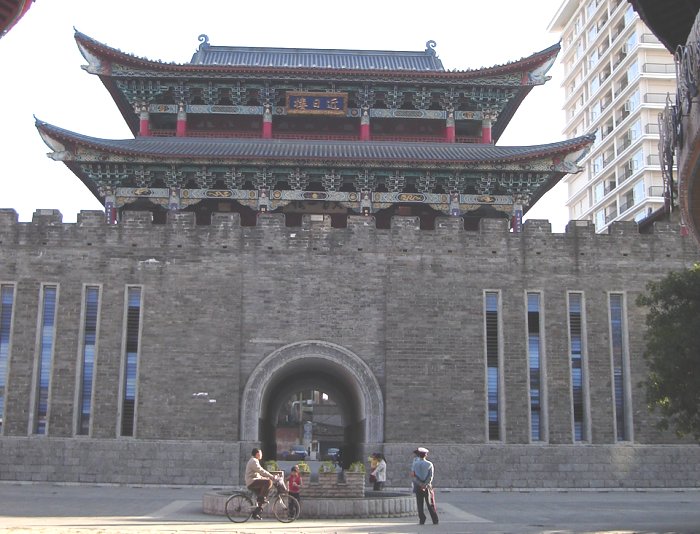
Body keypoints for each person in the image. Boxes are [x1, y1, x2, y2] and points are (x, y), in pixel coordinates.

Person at [244, 448, 277, 520]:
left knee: (262, 495)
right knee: (269, 482)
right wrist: (271, 476)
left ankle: (256, 513)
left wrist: (264, 478)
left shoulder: (254, 461)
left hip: (253, 480)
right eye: (260, 453)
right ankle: (261, 498)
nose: (262, 455)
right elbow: (261, 470)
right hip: (251, 482)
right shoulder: (253, 461)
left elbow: (258, 475)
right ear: (257, 454)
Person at [411, 447, 438, 525]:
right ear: (426, 455)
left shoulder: (415, 464)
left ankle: (422, 519)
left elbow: (413, 476)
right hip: (427, 487)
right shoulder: (429, 464)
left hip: (417, 486)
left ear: (419, 455)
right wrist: (425, 485)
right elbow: (430, 477)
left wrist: (420, 484)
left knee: (420, 503)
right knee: (430, 503)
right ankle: (434, 519)